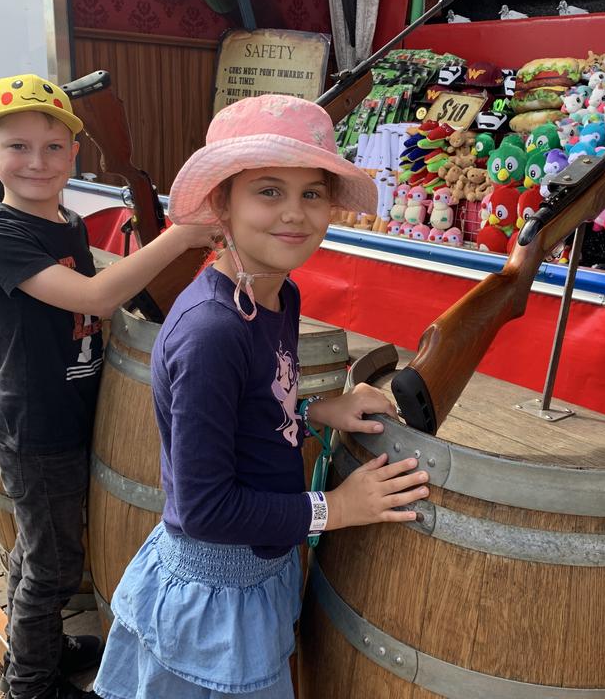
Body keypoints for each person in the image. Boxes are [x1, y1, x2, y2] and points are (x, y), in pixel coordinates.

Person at [92, 94, 432, 699]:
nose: (294, 215)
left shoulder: (281, 295)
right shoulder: (211, 333)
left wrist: (314, 410)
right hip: (214, 595)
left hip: (263, 570)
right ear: (222, 203)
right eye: (268, 191)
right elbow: (204, 509)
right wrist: (337, 507)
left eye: (312, 193)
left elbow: (257, 402)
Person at [0, 73, 216, 699]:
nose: (37, 162)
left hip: (70, 411)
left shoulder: (68, 223)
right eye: (17, 147)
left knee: (39, 548)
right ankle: (31, 681)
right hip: (36, 423)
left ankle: (41, 643)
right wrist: (182, 238)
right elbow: (92, 296)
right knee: (52, 568)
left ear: (75, 155)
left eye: (53, 148)